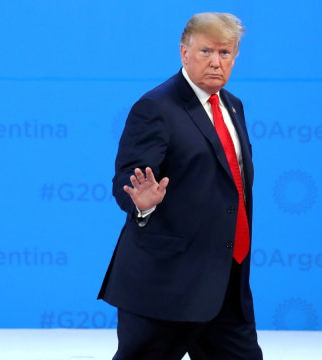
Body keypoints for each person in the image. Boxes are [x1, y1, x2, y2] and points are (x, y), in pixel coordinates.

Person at [97, 12, 263, 360]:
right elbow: (127, 177)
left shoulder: (234, 106)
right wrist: (141, 201)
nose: (216, 62)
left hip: (226, 283)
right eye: (206, 52)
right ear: (184, 52)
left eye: (225, 53)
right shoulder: (156, 107)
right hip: (166, 285)